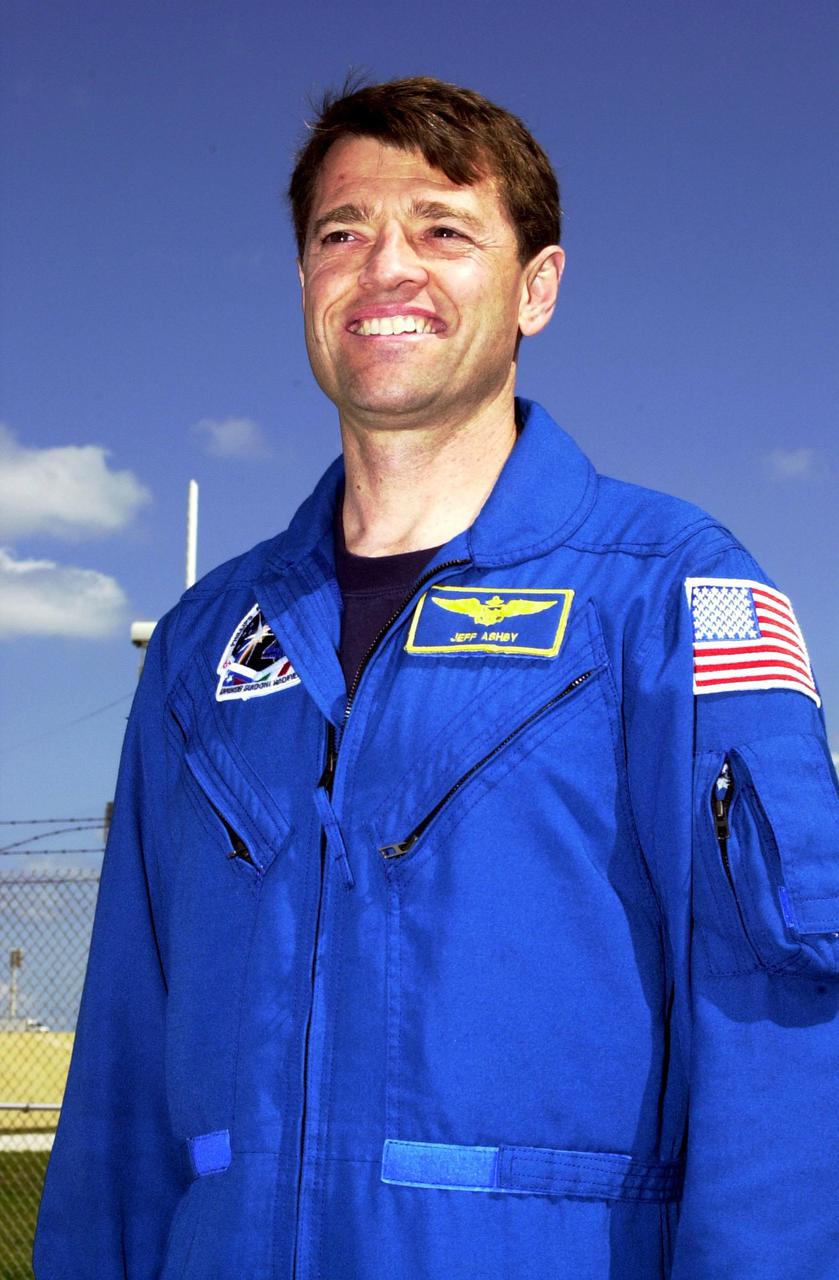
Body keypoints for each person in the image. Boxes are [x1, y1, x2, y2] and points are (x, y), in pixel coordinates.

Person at [34, 77, 838, 1280]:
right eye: (340, 232)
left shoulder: (669, 595)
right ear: (305, 282)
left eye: (443, 229)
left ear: (536, 288)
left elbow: (780, 1046)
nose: (383, 267)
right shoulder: (206, 645)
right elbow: (118, 1077)